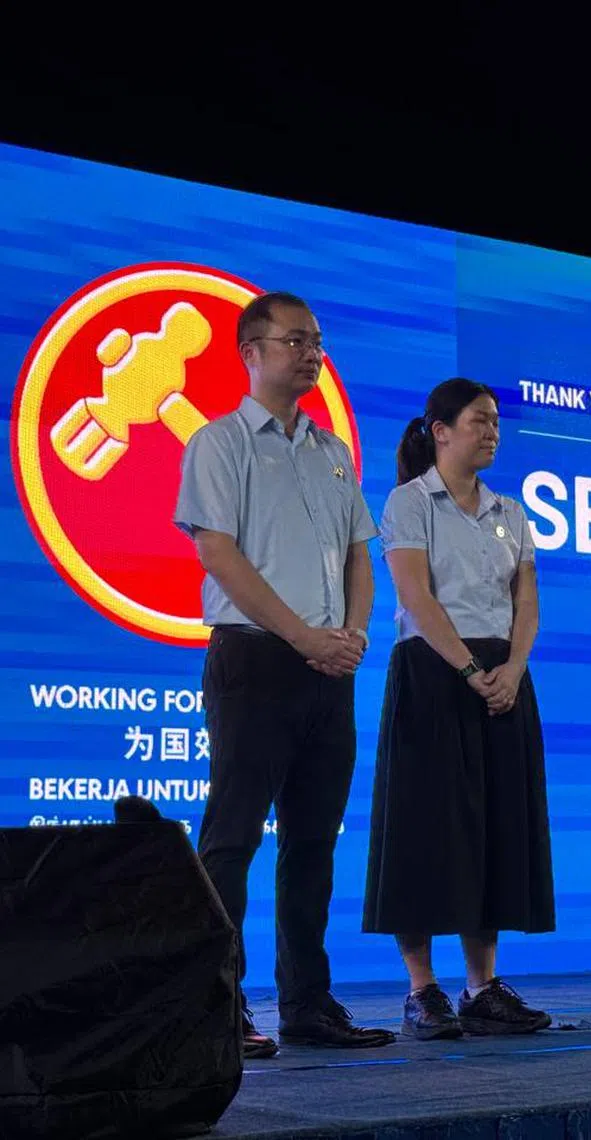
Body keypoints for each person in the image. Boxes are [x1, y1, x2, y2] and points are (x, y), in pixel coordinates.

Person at [175, 292, 393, 1057]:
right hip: (256, 659)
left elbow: (359, 554)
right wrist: (303, 636)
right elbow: (218, 554)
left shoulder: (332, 451)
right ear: (252, 351)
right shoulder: (220, 442)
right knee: (231, 839)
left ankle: (307, 1001)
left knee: (314, 843)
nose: (311, 352)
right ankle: (215, 1004)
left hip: (330, 666)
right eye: (295, 340)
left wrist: (352, 636)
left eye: (317, 341)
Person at [363, 377, 555, 1040]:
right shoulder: (409, 502)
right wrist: (471, 670)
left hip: (504, 677)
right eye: (479, 420)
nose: (492, 431)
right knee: (421, 829)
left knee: (495, 829)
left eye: (496, 421)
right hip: (434, 673)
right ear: (440, 429)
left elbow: (527, 602)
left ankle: (482, 986)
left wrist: (513, 670)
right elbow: (415, 594)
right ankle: (422, 989)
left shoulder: (511, 510)